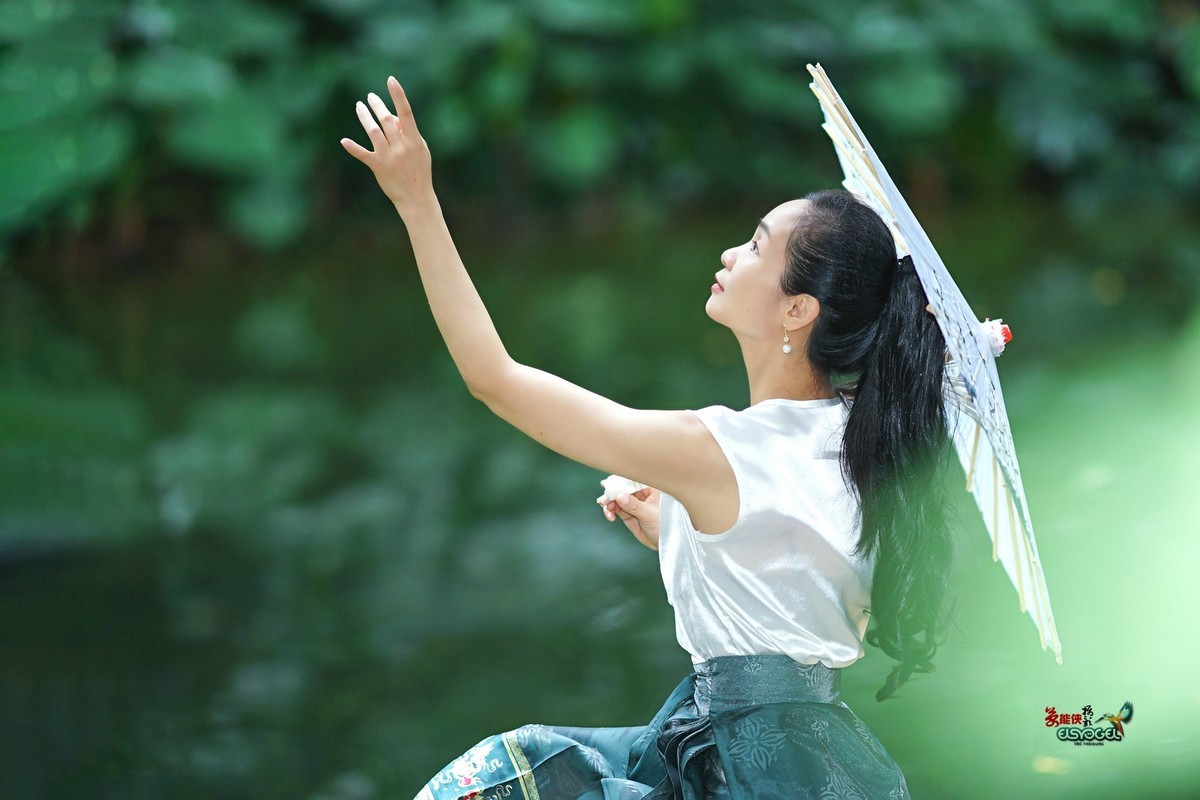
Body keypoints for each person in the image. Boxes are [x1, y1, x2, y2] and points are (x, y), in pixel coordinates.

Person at [342, 78, 956, 800]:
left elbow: (495, 379)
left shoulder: (716, 449)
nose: (730, 254)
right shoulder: (863, 434)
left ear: (797, 310)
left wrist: (417, 202)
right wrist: (680, 529)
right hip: (819, 762)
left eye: (756, 247)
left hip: (734, 767)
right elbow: (797, 577)